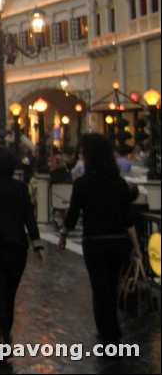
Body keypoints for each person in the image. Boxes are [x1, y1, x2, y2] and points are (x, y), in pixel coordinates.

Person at [57, 133, 143, 345]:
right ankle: (112, 327)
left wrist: (63, 236)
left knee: (99, 287)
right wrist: (137, 248)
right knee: (113, 284)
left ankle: (107, 331)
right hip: (118, 241)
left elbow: (73, 214)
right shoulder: (120, 184)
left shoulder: (83, 184)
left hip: (94, 241)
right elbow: (128, 219)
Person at [0, 147, 44, 344]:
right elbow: (29, 217)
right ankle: (5, 333)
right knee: (10, 293)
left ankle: (1, 335)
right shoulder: (20, 188)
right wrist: (37, 245)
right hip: (17, 247)